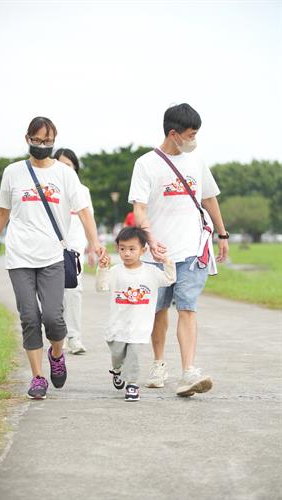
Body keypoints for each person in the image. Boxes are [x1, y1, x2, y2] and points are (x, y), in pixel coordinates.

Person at [0, 116, 105, 400]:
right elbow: (2, 213)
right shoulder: (13, 172)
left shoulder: (64, 174)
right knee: (29, 318)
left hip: (52, 256)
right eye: (38, 141)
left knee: (53, 318)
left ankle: (56, 355)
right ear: (27, 139)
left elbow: (84, 211)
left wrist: (95, 242)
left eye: (48, 142)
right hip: (19, 256)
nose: (43, 146)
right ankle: (37, 378)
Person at [128, 103, 229, 396]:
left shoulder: (196, 161)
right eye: (191, 133)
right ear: (174, 134)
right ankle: (159, 364)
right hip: (157, 254)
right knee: (158, 310)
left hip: (192, 248)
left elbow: (209, 199)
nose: (194, 139)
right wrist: (150, 238)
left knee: (188, 307)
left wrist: (222, 233)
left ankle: (188, 371)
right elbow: (139, 209)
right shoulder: (146, 164)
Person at [96, 226, 176, 401]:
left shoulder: (151, 272)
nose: (127, 253)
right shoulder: (116, 271)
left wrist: (167, 261)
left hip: (140, 326)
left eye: (132, 249)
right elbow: (101, 286)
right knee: (117, 354)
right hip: (117, 326)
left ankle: (132, 385)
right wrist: (102, 268)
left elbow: (169, 279)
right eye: (122, 249)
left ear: (143, 250)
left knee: (134, 357)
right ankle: (117, 370)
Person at [53, 147, 95, 355]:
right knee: (54, 295)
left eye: (68, 165)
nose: (65, 169)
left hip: (74, 251)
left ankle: (74, 337)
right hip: (51, 248)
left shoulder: (82, 191)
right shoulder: (50, 190)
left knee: (74, 292)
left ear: (75, 168)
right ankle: (57, 337)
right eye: (60, 164)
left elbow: (89, 220)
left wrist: (92, 247)